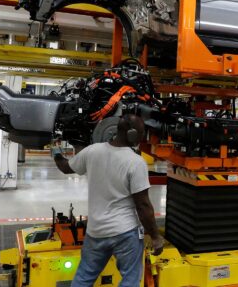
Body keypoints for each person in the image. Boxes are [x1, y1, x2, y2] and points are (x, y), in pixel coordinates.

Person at [51, 114, 164, 287]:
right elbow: (143, 205)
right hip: (125, 233)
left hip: (95, 231)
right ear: (133, 135)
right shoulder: (135, 162)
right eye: (141, 134)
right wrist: (155, 236)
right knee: (130, 280)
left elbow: (66, 168)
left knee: (84, 277)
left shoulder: (92, 151)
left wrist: (56, 151)